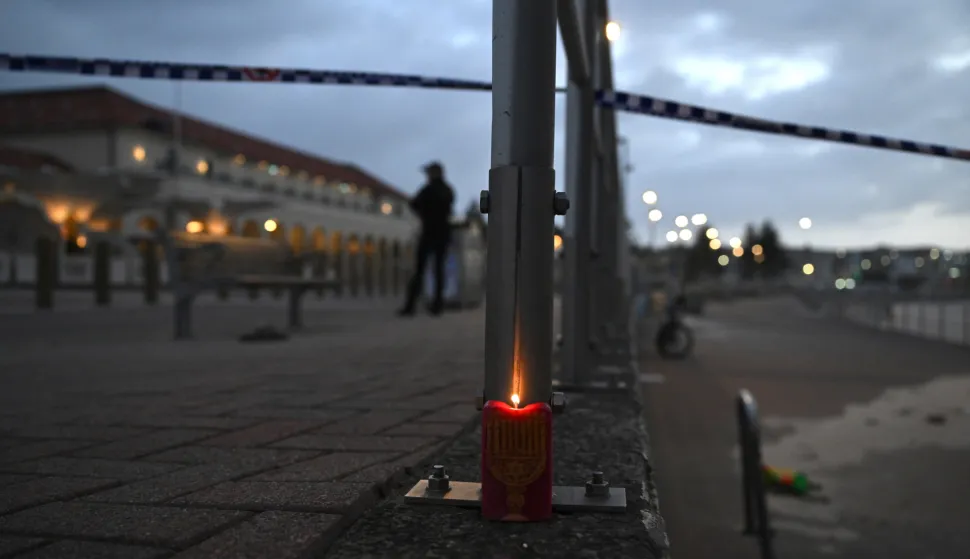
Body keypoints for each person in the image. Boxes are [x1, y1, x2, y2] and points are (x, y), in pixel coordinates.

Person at [398, 161, 456, 317]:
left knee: (420, 270)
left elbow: (414, 204)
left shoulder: (428, 190)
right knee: (438, 270)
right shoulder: (447, 190)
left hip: (429, 232)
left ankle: (411, 306)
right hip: (442, 233)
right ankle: (437, 306)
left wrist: (424, 215)